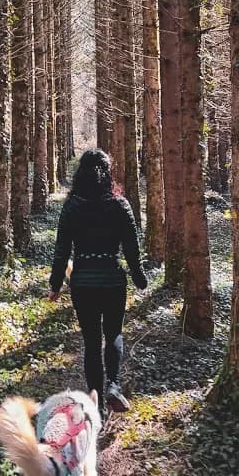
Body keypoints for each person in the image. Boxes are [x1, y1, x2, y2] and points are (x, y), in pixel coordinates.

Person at [48, 149, 148, 418]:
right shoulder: (120, 205)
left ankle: (97, 405)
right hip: (113, 279)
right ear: (107, 173)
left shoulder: (72, 207)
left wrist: (55, 285)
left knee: (92, 342)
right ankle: (113, 386)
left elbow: (61, 251)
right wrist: (139, 277)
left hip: (82, 282)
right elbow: (132, 248)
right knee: (113, 333)